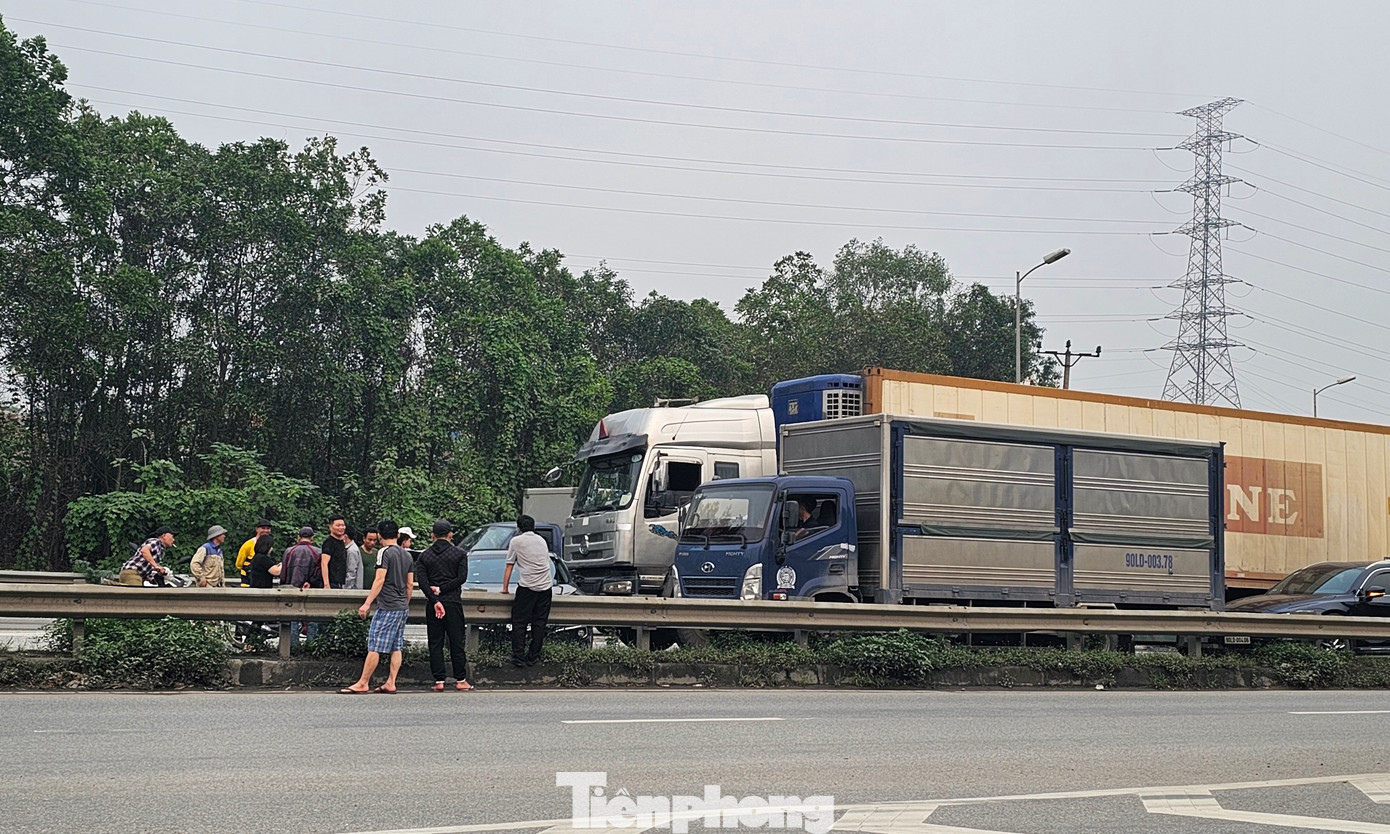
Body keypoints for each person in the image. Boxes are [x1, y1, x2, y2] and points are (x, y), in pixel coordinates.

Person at [341, 519, 414, 695]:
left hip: (387, 606)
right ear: (398, 535)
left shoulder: (384, 553)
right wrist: (405, 602)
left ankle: (363, 682)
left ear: (380, 535)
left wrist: (367, 603)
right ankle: (391, 682)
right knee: (396, 645)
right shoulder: (407, 555)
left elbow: (379, 579)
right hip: (402, 606)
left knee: (375, 644)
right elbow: (409, 584)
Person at [415, 519, 472, 691]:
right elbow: (462, 578)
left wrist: (434, 597)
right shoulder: (459, 554)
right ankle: (461, 679)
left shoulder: (424, 555)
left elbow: (422, 582)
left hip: (433, 604)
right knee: (456, 641)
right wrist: (443, 589)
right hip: (453, 602)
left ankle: (439, 680)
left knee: (435, 642)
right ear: (450, 535)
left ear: (432, 535)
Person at [501, 514, 553, 667]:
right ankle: (533, 657)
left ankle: (518, 657)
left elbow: (509, 565)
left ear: (519, 527)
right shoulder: (541, 540)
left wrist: (505, 589)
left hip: (527, 587)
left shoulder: (516, 541)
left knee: (519, 622)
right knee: (539, 623)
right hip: (546, 587)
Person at [281, 527, 326, 645]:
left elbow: (284, 571)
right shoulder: (317, 552)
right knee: (312, 617)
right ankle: (311, 645)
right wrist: (310, 582)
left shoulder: (289, 551)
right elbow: (318, 572)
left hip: (291, 588)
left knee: (292, 618)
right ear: (312, 538)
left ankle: (293, 645)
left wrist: (283, 585)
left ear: (298, 537)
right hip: (311, 589)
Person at [235, 520, 272, 587]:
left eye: (268, 528)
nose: (266, 531)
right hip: (247, 578)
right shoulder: (248, 544)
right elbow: (239, 563)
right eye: (263, 528)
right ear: (257, 529)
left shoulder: (269, 544)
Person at [321, 515, 350, 590]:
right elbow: (324, 563)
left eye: (343, 525)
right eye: (338, 525)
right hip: (331, 583)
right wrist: (326, 584)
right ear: (330, 527)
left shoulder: (341, 542)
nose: (341, 528)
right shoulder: (329, 543)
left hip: (340, 583)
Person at [344, 525, 365, 591]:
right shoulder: (352, 548)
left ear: (345, 536)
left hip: (352, 588)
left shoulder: (352, 550)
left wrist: (346, 588)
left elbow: (351, 571)